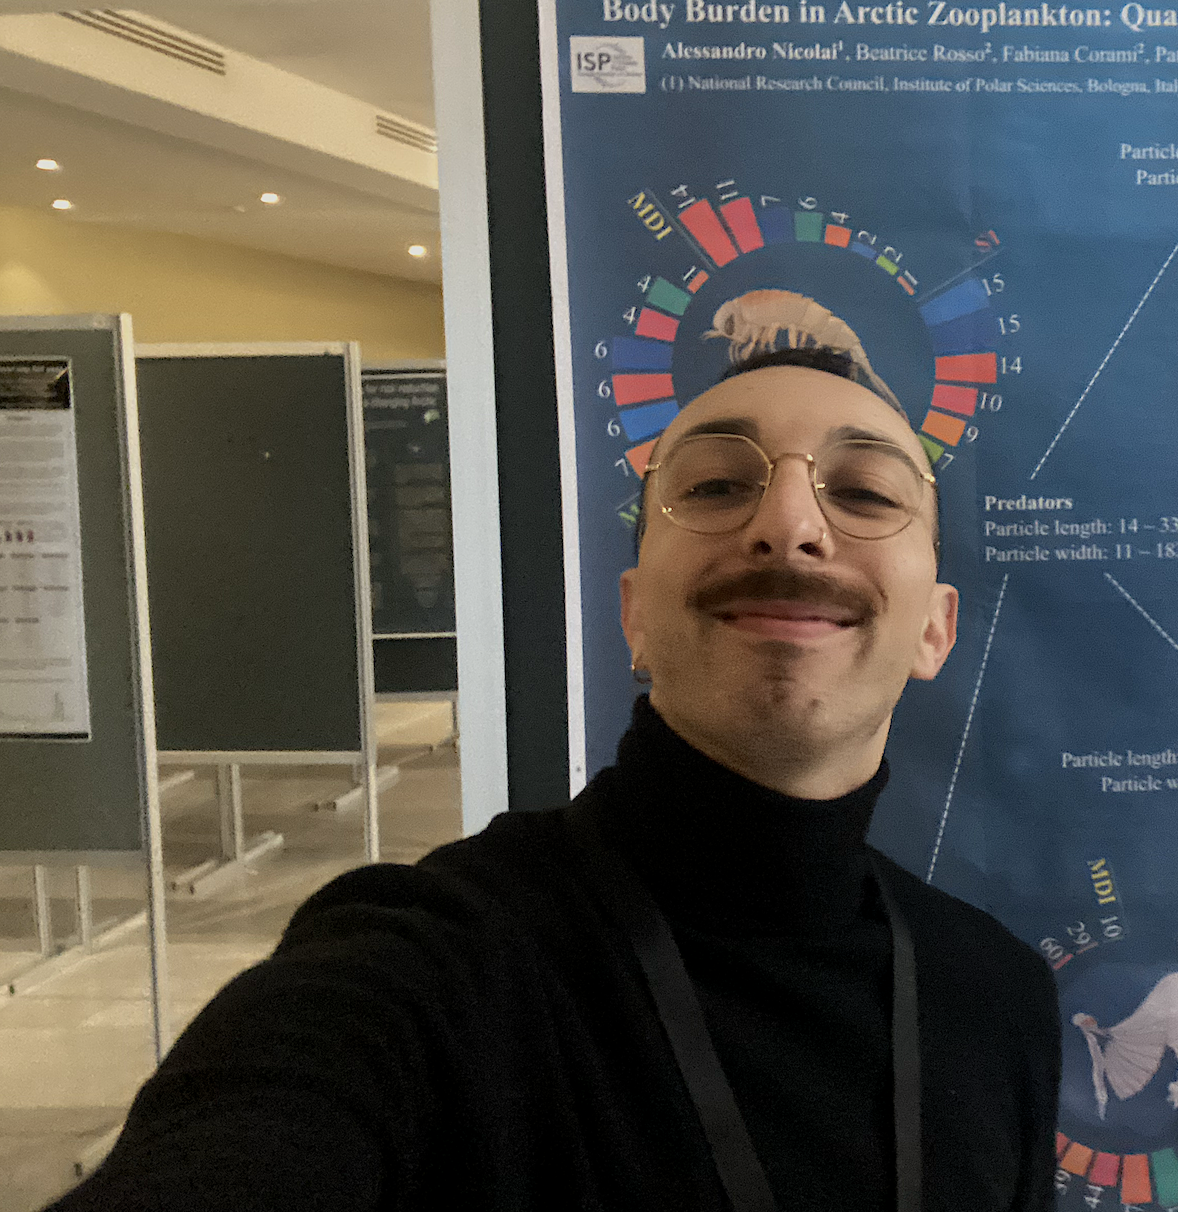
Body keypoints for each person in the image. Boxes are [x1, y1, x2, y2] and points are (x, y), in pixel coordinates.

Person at [55, 347, 1063, 1212]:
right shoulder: (432, 966)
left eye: (865, 493)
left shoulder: (994, 996)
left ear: (935, 626)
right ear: (632, 614)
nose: (788, 523)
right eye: (716, 486)